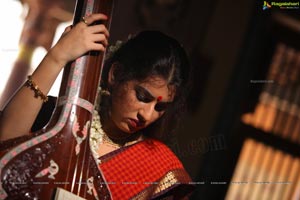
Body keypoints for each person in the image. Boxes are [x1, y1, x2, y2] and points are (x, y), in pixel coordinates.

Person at [0, 13, 194, 199]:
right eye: (143, 96)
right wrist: (57, 57)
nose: (147, 115)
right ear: (115, 74)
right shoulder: (60, 117)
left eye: (160, 108)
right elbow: (6, 142)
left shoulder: (159, 170)